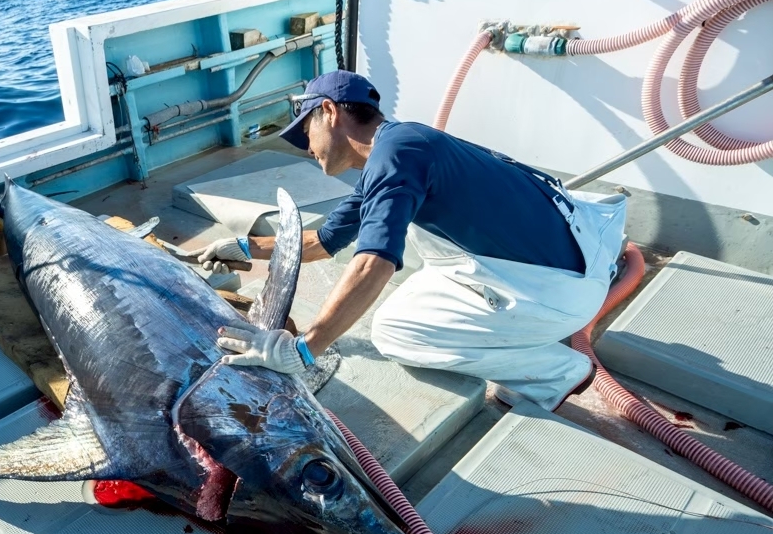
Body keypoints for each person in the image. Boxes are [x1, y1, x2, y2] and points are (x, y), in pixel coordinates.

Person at [199, 70, 627, 411]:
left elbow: (374, 264)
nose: (305, 147)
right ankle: (523, 334)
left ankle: (556, 371)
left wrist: (305, 350)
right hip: (569, 257)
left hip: (558, 290)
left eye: (304, 132)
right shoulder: (400, 147)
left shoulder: (395, 156)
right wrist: (243, 248)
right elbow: (325, 240)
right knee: (412, 289)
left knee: (395, 330)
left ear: (329, 111)